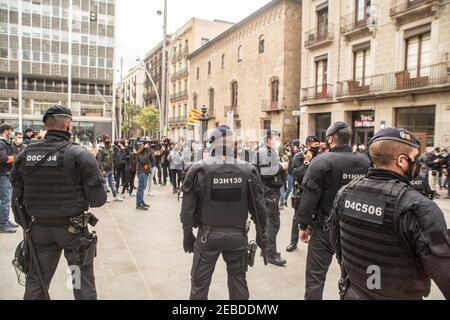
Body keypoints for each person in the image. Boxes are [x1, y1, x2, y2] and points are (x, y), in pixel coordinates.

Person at [330, 128, 450, 300]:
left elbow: (336, 243)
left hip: (353, 292)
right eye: (415, 157)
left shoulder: (344, 193)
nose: (418, 164)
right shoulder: (420, 207)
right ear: (402, 160)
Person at [10, 105, 107, 300]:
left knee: (36, 282)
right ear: (68, 125)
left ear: (45, 125)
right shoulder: (80, 154)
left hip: (39, 231)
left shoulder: (25, 154)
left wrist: (28, 225)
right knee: (80, 282)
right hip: (73, 233)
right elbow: (99, 199)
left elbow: (16, 197)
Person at [180, 125, 267, 300]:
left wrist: (188, 235)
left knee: (199, 285)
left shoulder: (199, 168)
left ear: (212, 144)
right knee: (238, 281)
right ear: (232, 144)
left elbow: (187, 210)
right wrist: (261, 235)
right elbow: (259, 209)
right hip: (237, 237)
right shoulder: (248, 170)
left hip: (207, 236)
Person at [297, 122, 370, 300]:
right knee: (356, 278)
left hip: (325, 228)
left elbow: (309, 198)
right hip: (354, 228)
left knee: (315, 277)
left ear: (330, 139)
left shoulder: (321, 161)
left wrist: (303, 225)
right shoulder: (365, 161)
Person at [252, 130, 288, 266]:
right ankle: (270, 253)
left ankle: (267, 249)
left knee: (270, 223)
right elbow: (265, 172)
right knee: (273, 223)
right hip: (268, 193)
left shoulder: (268, 151)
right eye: (276, 139)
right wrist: (280, 166)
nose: (278, 141)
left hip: (270, 193)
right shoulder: (264, 152)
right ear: (268, 140)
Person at [286, 136, 320, 253]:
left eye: (317, 146)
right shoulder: (299, 157)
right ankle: (293, 242)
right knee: (297, 218)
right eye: (313, 146)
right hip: (301, 191)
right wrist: (306, 162)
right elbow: (297, 174)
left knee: (316, 219)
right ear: (307, 145)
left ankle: (314, 243)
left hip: (316, 192)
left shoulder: (320, 158)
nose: (315, 149)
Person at [0, 123, 19, 234]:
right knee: (5, 200)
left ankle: (5, 220)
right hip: (3, 174)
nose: (12, 132)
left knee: (5, 199)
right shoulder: (1, 143)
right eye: (11, 130)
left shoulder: (5, 143)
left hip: (6, 173)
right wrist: (16, 157)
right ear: (6, 131)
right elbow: (4, 159)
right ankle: (3, 224)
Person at [96, 133, 123, 202]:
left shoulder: (111, 148)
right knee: (104, 185)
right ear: (104, 140)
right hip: (104, 170)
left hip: (111, 169)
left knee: (112, 184)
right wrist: (102, 170)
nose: (109, 140)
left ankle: (115, 196)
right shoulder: (101, 149)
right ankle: (104, 198)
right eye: (107, 139)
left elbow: (117, 153)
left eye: (109, 139)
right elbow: (99, 161)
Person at [135, 140, 154, 211]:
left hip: (146, 171)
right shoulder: (140, 151)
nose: (148, 145)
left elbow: (152, 160)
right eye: (147, 144)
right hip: (141, 171)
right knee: (140, 188)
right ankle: (138, 204)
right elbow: (143, 160)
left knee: (143, 188)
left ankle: (141, 202)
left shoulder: (147, 151)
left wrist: (150, 151)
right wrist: (146, 151)